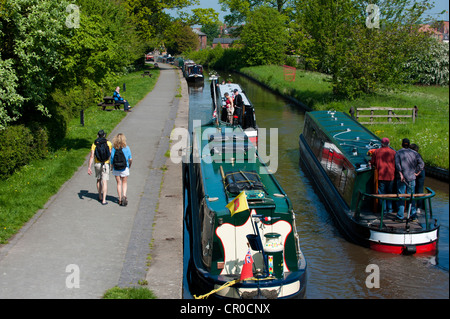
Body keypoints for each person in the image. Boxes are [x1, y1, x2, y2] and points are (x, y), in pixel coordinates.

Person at [394, 138, 424, 222]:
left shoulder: (398, 153)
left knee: (401, 196)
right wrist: (417, 172)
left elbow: (397, 165)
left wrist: (401, 174)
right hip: (411, 177)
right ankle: (413, 215)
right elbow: (422, 163)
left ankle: (400, 215)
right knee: (412, 196)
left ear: (402, 144)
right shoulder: (415, 153)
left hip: (402, 178)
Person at [370, 137, 396, 213]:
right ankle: (390, 209)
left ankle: (383, 210)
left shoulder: (377, 152)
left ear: (381, 144)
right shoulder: (393, 152)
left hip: (381, 175)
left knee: (382, 194)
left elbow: (373, 162)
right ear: (389, 144)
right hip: (391, 176)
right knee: (389, 193)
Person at [88, 130, 112, 205]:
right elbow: (110, 154)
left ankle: (100, 196)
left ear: (97, 135)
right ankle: (104, 200)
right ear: (104, 135)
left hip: (97, 163)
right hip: (105, 164)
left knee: (98, 180)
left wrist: (89, 167)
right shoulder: (108, 143)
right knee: (104, 181)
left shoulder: (94, 144)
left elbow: (92, 156)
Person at [111, 133, 133, 206]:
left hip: (116, 167)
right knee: (124, 182)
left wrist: (111, 167)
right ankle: (124, 195)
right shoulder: (127, 148)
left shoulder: (114, 148)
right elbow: (130, 158)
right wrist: (129, 165)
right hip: (124, 167)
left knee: (118, 183)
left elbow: (112, 159)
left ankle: (120, 199)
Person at [410, 143, 425, 212]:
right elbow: (422, 164)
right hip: (421, 172)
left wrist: (416, 172)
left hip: (415, 172)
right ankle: (419, 207)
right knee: (420, 189)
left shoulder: (411, 155)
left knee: (413, 188)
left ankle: (413, 206)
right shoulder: (419, 155)